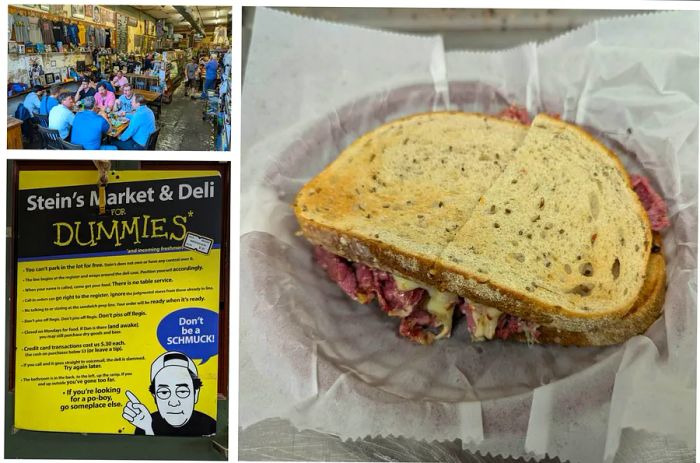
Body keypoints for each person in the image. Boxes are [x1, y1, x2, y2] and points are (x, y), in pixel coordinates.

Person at [122, 351, 216, 436]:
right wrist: (148, 428)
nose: (173, 402)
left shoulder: (210, 426)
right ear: (155, 397)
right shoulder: (145, 423)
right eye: (164, 392)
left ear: (195, 394)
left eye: (182, 391)